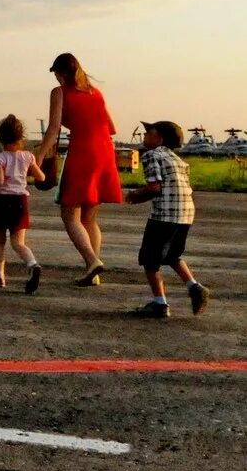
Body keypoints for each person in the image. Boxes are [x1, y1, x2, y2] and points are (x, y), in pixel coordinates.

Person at [35, 53, 121, 287]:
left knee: (69, 213)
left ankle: (92, 261)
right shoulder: (95, 92)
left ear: (60, 73)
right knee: (89, 217)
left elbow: (53, 129)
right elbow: (112, 127)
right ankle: (93, 273)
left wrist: (38, 157)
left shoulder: (59, 92)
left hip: (82, 152)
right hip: (104, 152)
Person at [124, 121, 210, 318]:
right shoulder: (179, 160)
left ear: (159, 138)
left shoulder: (152, 155)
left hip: (165, 215)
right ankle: (194, 287)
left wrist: (135, 194)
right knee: (172, 255)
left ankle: (159, 303)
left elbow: (155, 188)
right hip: (185, 213)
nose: (145, 136)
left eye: (149, 133)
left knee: (149, 259)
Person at [0, 114, 43, 293]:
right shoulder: (28, 157)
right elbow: (41, 177)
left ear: (1, 138)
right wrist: (26, 172)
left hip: (1, 201)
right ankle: (32, 263)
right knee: (18, 242)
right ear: (21, 137)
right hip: (20, 201)